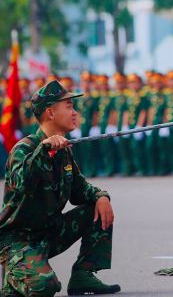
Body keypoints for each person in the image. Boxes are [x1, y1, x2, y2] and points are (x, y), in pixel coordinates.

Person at [0, 80, 120, 295]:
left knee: (97, 207)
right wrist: (43, 151)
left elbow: (80, 190)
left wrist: (101, 196)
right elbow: (22, 183)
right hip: (17, 241)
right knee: (46, 287)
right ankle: (13, 276)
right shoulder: (25, 148)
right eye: (69, 107)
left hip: (49, 233)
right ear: (50, 113)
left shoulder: (63, 151)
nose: (75, 113)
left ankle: (83, 275)